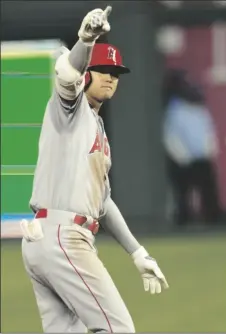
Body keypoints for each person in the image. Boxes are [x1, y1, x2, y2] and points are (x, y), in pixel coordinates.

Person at [20, 6, 169, 333]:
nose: (110, 77)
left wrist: (137, 252)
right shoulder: (68, 108)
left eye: (115, 73)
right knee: (118, 329)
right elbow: (68, 76)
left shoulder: (97, 127)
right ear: (87, 72)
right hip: (64, 237)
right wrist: (86, 40)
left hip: (46, 239)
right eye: (102, 69)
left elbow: (103, 202)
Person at [162, 69, 221, 226]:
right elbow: (171, 137)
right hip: (184, 161)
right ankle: (183, 222)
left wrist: (210, 150)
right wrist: (183, 157)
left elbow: (208, 131)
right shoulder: (175, 110)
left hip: (202, 158)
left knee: (209, 191)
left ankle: (213, 220)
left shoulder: (200, 110)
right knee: (183, 193)